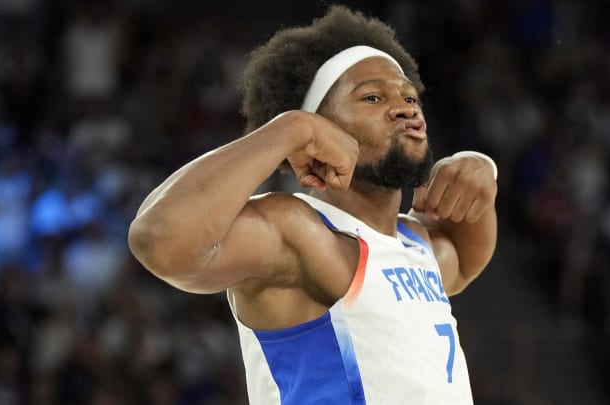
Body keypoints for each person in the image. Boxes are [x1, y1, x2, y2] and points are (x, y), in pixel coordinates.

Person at [128, 5, 498, 404]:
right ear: (319, 125)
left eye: (410, 96)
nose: (406, 108)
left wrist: (483, 169)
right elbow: (159, 239)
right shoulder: (297, 231)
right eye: (372, 97)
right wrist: (289, 129)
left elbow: (467, 254)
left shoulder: (418, 244)